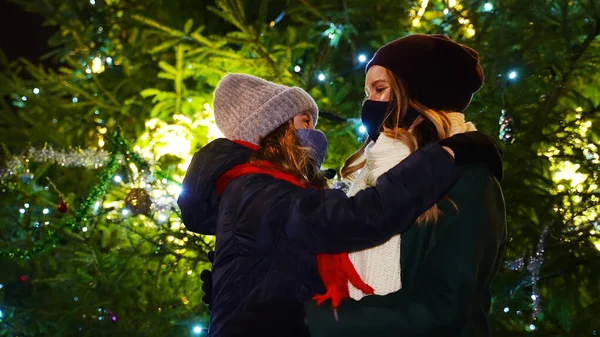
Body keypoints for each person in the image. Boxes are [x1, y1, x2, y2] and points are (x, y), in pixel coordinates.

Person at [178, 73, 500, 337]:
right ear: (275, 130)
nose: (315, 134)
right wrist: (445, 156)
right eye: (305, 121)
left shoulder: (263, 189)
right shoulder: (257, 189)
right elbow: (358, 218)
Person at [304, 34, 507, 337]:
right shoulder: (365, 178)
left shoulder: (469, 178)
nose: (369, 103)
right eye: (367, 92)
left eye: (380, 89)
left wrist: (309, 320)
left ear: (418, 93)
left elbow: (440, 309)